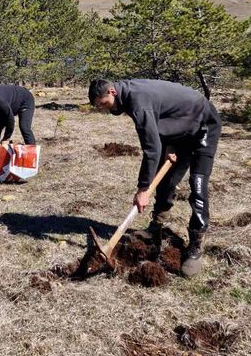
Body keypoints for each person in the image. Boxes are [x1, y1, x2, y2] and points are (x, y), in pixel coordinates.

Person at [88, 79, 221, 277]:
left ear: (112, 92)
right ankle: (156, 227)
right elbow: (157, 137)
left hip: (203, 124)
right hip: (181, 125)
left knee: (198, 184)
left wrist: (143, 190)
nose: (104, 109)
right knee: (165, 179)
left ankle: (196, 245)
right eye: (98, 107)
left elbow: (151, 149)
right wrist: (166, 152)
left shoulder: (137, 101)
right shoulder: (128, 97)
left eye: (102, 103)